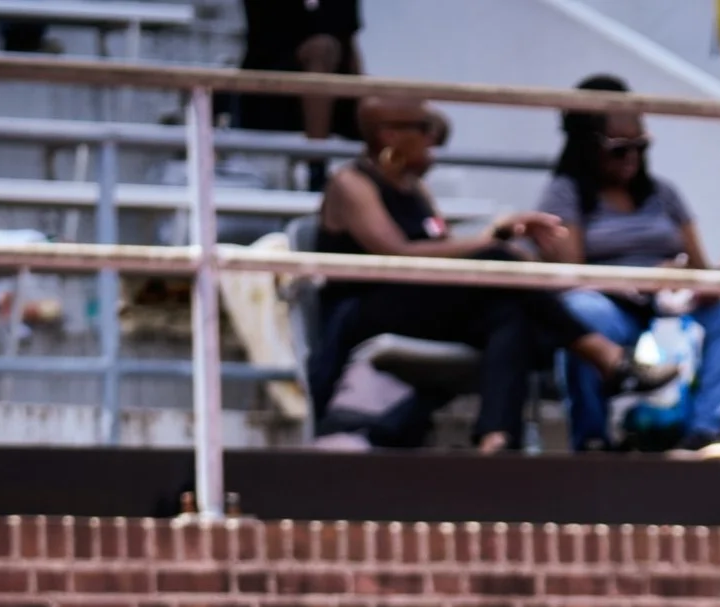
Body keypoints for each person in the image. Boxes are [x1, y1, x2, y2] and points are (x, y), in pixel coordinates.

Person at [309, 98, 676, 452]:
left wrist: (498, 238)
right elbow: (397, 255)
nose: (433, 139)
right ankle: (605, 356)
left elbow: (443, 250)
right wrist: (493, 242)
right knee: (499, 265)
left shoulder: (414, 188)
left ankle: (496, 440)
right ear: (387, 134)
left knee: (509, 314)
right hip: (365, 310)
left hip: (419, 305)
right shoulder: (351, 183)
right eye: (424, 129)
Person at [533, 77, 720, 454]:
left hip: (672, 310)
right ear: (587, 146)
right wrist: (641, 280)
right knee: (581, 312)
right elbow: (571, 273)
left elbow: (700, 266)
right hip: (612, 307)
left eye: (640, 146)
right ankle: (592, 438)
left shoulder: (664, 193)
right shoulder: (565, 193)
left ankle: (706, 433)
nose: (632, 157)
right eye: (619, 149)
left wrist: (701, 283)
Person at [232, 0, 361, 165]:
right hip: (271, 87)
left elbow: (350, 48)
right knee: (321, 50)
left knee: (383, 101)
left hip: (335, 95)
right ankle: (316, 163)